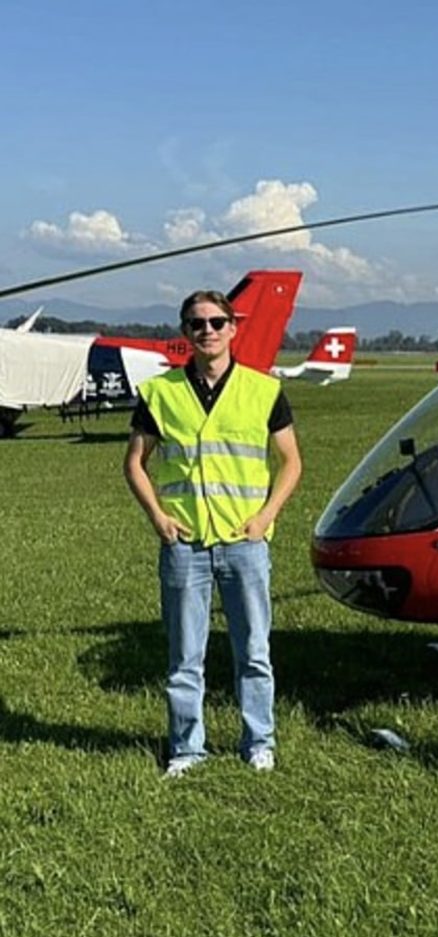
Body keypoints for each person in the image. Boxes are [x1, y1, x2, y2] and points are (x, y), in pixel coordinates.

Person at [124, 289, 302, 777]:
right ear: (185, 332)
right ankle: (186, 749)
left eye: (216, 322)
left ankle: (259, 741)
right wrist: (159, 519)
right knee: (185, 658)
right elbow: (134, 464)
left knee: (255, 652)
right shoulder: (160, 394)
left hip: (245, 544)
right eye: (197, 323)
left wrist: (264, 520)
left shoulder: (263, 390)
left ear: (233, 328)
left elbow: (291, 463)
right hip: (185, 547)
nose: (208, 331)